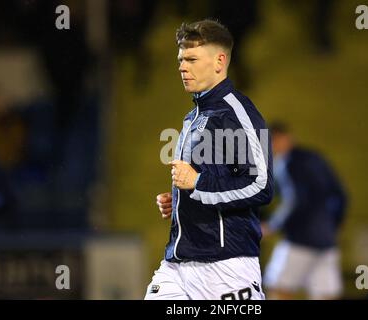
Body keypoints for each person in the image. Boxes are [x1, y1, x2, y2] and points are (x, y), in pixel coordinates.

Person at [145, 19, 273, 300]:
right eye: (180, 59)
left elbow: (261, 185)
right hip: (178, 264)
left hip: (225, 266)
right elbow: (206, 182)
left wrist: (197, 182)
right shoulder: (193, 117)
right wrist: (179, 200)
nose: (181, 66)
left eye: (191, 59)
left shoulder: (239, 114)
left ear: (219, 61)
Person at [261, 122, 347, 300]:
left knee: (277, 287)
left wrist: (272, 225)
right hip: (326, 239)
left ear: (276, 140)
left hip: (299, 239)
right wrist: (332, 227)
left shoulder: (287, 163)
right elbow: (341, 195)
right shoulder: (315, 158)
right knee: (326, 295)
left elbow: (295, 199)